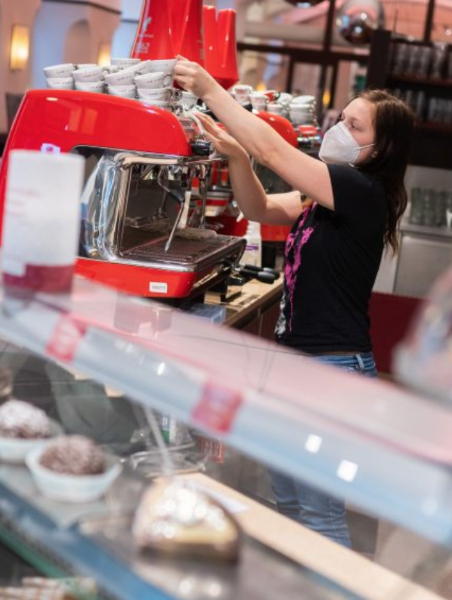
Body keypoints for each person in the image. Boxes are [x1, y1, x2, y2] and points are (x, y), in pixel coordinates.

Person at [174, 57, 415, 548]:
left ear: (381, 148)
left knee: (320, 514)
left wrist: (212, 91)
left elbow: (273, 150)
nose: (339, 131)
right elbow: (260, 207)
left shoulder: (360, 191)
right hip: (297, 364)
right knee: (288, 502)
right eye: (342, 119)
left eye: (355, 127)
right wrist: (237, 159)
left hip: (332, 370)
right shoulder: (324, 196)